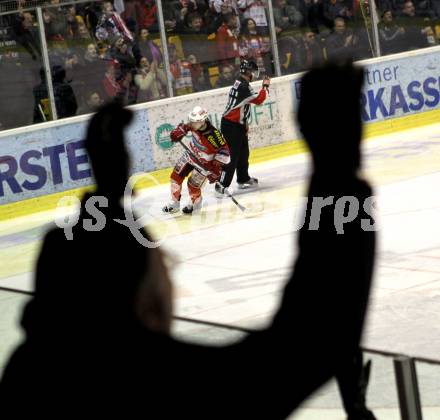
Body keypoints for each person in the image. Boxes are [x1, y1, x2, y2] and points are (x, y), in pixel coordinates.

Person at [0, 69, 375, 417]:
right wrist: (336, 168)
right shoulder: (170, 382)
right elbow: (304, 346)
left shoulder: (26, 375)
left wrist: (107, 192)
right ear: (143, 299)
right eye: (161, 266)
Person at [215, 59, 269, 197]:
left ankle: (243, 178)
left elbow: (242, 107)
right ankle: (221, 185)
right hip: (231, 126)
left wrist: (244, 124)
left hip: (236, 125)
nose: (254, 74)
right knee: (232, 157)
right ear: (249, 72)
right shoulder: (244, 86)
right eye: (253, 71)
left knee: (243, 153)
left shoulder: (240, 82)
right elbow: (259, 100)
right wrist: (265, 87)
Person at [162, 106, 230, 214]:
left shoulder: (213, 135)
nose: (191, 124)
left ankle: (196, 204)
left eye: (195, 122)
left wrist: (215, 169)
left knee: (193, 185)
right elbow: (187, 127)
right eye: (191, 121)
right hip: (190, 155)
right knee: (175, 176)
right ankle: (174, 204)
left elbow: (225, 153)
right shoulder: (195, 125)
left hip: (204, 164)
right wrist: (180, 130)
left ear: (203, 121)